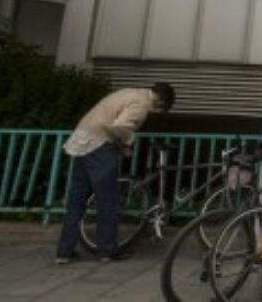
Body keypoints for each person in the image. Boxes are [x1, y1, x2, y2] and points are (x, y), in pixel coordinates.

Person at [55, 82, 176, 264]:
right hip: (100, 144)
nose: (157, 110)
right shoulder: (141, 104)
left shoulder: (129, 92)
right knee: (108, 199)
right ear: (161, 100)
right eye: (161, 107)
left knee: (76, 199)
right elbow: (120, 126)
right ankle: (106, 250)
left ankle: (64, 252)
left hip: (82, 140)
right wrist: (126, 144)